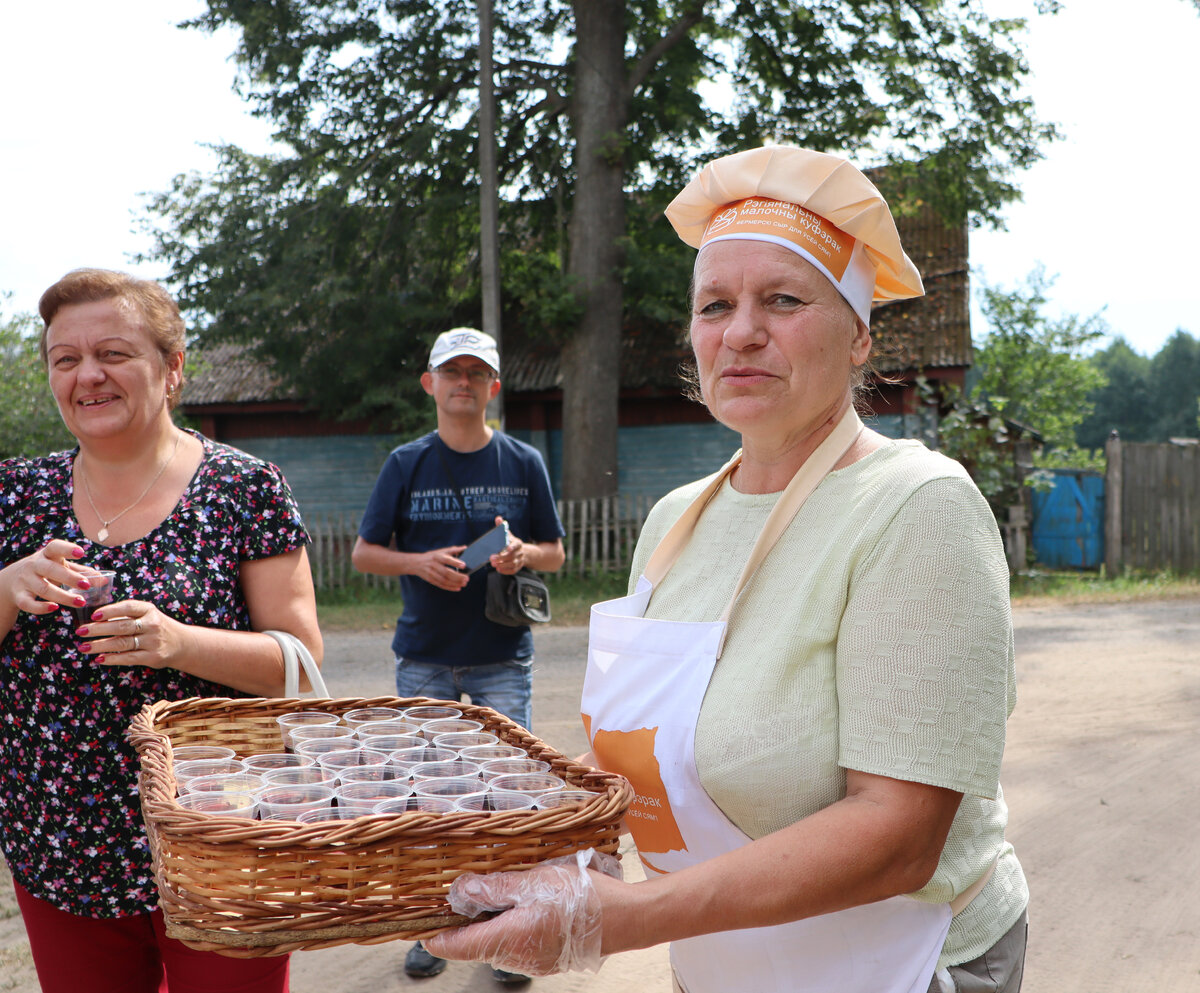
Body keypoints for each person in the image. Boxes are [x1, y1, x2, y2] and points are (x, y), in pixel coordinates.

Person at [423, 146, 1030, 993]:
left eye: (783, 298)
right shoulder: (677, 520)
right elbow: (653, 749)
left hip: (898, 959)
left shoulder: (916, 506)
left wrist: (618, 913)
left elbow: (900, 835)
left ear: (859, 334)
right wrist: (540, 834)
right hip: (723, 960)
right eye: (716, 304)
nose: (740, 330)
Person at [0, 269, 323, 992]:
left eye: (113, 353)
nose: (88, 375)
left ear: (172, 368)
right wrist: (6, 590)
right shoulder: (14, 493)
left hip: (221, 834)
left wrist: (179, 642)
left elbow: (300, 660)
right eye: (65, 358)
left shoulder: (245, 487)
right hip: (61, 841)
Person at [351, 326, 565, 982]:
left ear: (493, 386)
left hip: (502, 654)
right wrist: (419, 561)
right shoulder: (405, 463)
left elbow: (555, 552)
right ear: (431, 384)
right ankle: (434, 929)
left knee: (508, 799)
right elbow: (363, 552)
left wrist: (523, 552)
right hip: (424, 656)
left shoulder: (523, 461)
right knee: (426, 800)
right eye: (452, 372)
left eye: (476, 372)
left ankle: (512, 934)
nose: (463, 382)